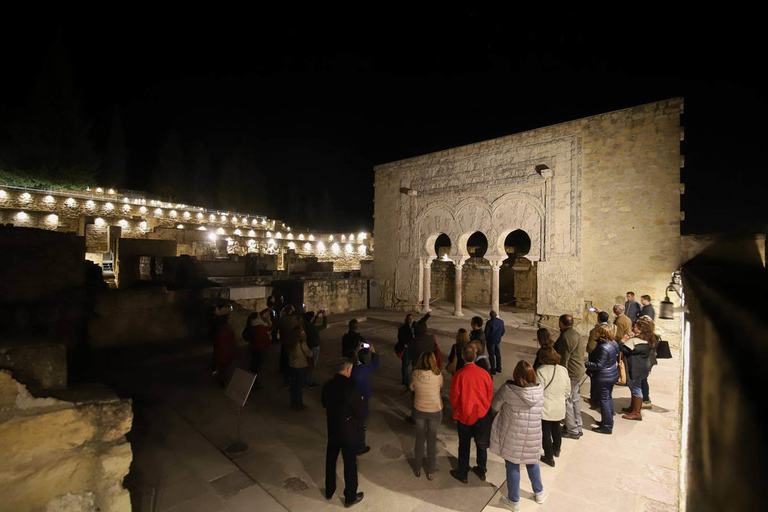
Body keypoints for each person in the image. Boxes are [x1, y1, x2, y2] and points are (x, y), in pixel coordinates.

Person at [490, 361, 547, 510]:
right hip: (533, 433)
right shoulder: (540, 390)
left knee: (512, 463)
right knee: (532, 461)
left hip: (513, 434)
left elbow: (495, 406)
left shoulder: (508, 389)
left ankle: (514, 501)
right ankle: (539, 493)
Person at [322, 358, 365, 507]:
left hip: (333, 428)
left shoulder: (328, 385)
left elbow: (323, 402)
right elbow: (359, 412)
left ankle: (329, 490)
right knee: (350, 463)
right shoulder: (350, 387)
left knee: (331, 460)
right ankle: (350, 496)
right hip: (348, 432)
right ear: (347, 370)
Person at [449, 345, 494, 484]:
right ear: (475, 356)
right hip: (481, 414)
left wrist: (458, 408)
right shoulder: (484, 373)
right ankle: (481, 470)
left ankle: (462, 473)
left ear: (462, 357)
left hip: (464, 414)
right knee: (481, 443)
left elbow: (454, 397)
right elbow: (490, 393)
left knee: (464, 444)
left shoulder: (459, 374)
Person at [410, 352, 443, 480]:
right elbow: (441, 386)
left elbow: (411, 387)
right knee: (431, 440)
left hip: (419, 409)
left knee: (420, 438)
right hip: (434, 410)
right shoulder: (437, 374)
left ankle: (417, 468)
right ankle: (430, 470)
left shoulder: (415, 374)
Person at [535, 347, 570, 466]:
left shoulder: (541, 371)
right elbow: (568, 390)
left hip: (546, 406)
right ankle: (556, 449)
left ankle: (549, 457)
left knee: (545, 432)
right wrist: (560, 398)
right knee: (556, 428)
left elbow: (538, 390)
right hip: (559, 405)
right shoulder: (563, 370)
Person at [553, 314, 586, 439]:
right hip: (578, 371)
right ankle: (578, 425)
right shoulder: (576, 334)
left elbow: (564, 358)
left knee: (566, 400)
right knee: (575, 398)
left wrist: (560, 374)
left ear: (561, 323)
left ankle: (572, 429)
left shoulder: (566, 337)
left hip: (571, 373)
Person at [619, 315, 656, 421]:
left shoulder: (635, 341)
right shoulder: (649, 339)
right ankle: (633, 407)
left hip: (635, 367)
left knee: (636, 389)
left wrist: (623, 340)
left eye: (635, 326)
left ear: (640, 329)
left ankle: (636, 412)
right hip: (642, 366)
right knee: (635, 387)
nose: (633, 328)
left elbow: (623, 349)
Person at [584, 325, 620, 434]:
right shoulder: (614, 343)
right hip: (611, 373)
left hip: (604, 376)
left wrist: (586, 363)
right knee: (608, 398)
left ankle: (607, 426)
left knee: (604, 400)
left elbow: (599, 365)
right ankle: (608, 421)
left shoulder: (604, 347)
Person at [350, 344, 379, 455]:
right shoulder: (361, 370)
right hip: (361, 397)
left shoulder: (349, 368)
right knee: (360, 420)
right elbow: (374, 366)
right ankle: (360, 446)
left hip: (351, 397)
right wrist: (374, 352)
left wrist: (356, 351)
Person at [586, 311, 616, 407]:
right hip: (610, 361)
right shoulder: (612, 328)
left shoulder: (596, 331)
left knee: (595, 379)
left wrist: (587, 361)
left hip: (597, 357)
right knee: (607, 393)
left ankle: (595, 399)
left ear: (598, 319)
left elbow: (591, 347)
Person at [396, 312, 430, 388]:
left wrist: (427, 315)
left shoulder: (415, 325)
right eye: (409, 318)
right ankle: (405, 381)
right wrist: (406, 344)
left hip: (414, 348)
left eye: (412, 318)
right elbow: (400, 337)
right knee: (405, 364)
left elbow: (422, 321)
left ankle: (414, 380)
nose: (411, 320)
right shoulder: (403, 328)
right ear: (407, 319)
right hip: (407, 349)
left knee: (415, 364)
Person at [243, 309, 272, 389]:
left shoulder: (252, 324)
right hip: (259, 348)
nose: (260, 317)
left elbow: (260, 313)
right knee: (257, 366)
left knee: (253, 365)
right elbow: (270, 328)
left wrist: (268, 309)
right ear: (256, 318)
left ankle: (252, 381)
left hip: (253, 347)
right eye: (259, 316)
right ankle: (254, 383)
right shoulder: (260, 326)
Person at [288, 324, 312, 410]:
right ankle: (299, 404)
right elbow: (309, 353)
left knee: (293, 385)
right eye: (302, 331)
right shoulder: (301, 343)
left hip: (292, 366)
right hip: (300, 367)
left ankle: (293, 402)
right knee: (299, 386)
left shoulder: (291, 342)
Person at [212, 303, 237, 388]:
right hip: (224, 352)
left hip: (223, 352)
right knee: (223, 368)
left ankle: (222, 380)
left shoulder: (223, 330)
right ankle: (222, 381)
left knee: (223, 368)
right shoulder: (224, 330)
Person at [303, 310, 328, 388]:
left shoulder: (306, 325)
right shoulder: (313, 329)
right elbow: (324, 325)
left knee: (308, 363)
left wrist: (317, 315)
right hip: (314, 347)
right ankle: (309, 381)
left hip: (308, 345)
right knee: (312, 365)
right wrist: (324, 316)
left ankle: (306, 380)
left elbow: (311, 323)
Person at [279, 304, 299, 388]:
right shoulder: (293, 320)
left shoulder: (282, 319)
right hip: (291, 343)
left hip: (284, 342)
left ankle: (285, 376)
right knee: (290, 361)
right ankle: (289, 380)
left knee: (284, 360)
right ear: (290, 311)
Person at [484, 310, 505, 375]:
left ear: (490, 316)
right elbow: (503, 331)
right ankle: (499, 368)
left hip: (491, 340)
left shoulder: (489, 323)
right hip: (497, 339)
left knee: (491, 355)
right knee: (498, 354)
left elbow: (486, 333)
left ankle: (493, 369)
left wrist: (486, 339)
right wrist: (499, 336)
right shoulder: (501, 322)